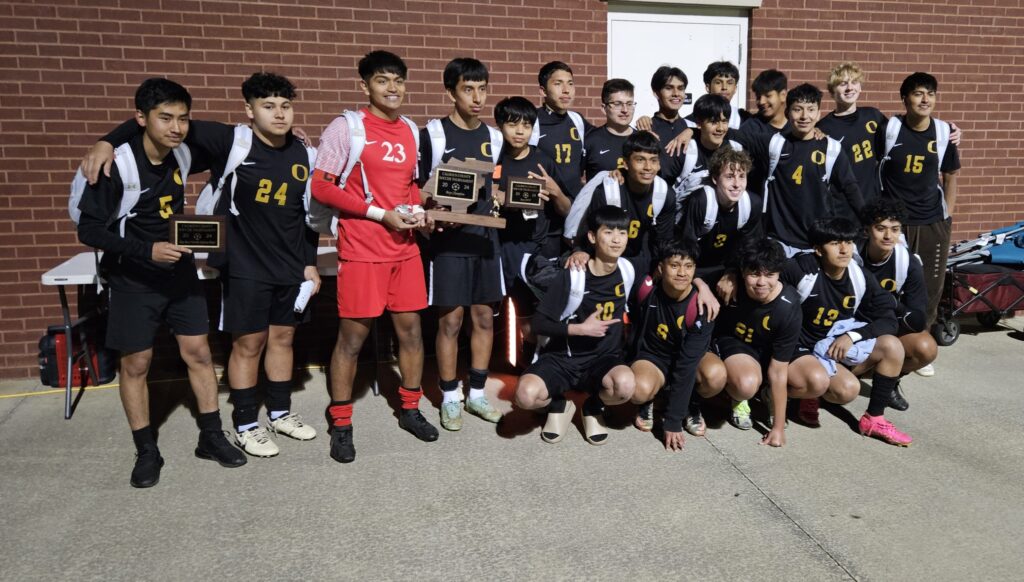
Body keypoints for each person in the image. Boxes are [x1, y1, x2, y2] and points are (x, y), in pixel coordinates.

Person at [84, 72, 323, 458]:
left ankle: (280, 413)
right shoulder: (230, 140)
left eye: (285, 106)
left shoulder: (305, 154)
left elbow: (308, 214)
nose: (279, 114)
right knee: (249, 343)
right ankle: (245, 424)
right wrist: (106, 141)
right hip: (244, 264)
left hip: (289, 264)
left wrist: (309, 264)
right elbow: (158, 120)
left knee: (283, 339)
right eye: (267, 106)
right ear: (249, 110)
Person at [76, 78, 246, 488]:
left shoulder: (183, 150)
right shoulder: (117, 163)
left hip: (178, 271)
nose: (176, 127)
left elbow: (232, 136)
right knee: (136, 364)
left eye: (182, 118)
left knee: (200, 354)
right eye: (165, 118)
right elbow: (89, 230)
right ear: (141, 118)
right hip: (133, 275)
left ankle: (210, 436)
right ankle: (146, 449)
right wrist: (145, 250)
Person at [310, 51, 438, 464]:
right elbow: (322, 187)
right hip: (363, 249)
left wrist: (419, 212)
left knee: (413, 334)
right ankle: (342, 423)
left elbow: (410, 187)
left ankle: (411, 408)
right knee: (352, 339)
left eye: (399, 80)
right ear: (364, 85)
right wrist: (380, 214)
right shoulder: (346, 127)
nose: (393, 88)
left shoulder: (410, 130)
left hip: (405, 250)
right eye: (383, 80)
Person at [417, 57, 505, 431]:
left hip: (485, 239)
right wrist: (434, 209)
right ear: (451, 91)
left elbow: (495, 180)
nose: (477, 97)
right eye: (468, 89)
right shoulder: (434, 134)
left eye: (482, 88)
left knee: (484, 317)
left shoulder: (494, 136)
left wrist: (498, 196)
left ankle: (478, 394)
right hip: (448, 243)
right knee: (451, 320)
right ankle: (450, 396)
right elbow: (418, 189)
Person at [513, 206, 639, 445]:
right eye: (608, 232)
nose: (616, 239)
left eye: (622, 233)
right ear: (592, 237)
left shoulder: (627, 269)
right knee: (525, 396)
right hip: (564, 359)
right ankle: (559, 403)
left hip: (603, 359)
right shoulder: (574, 275)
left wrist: (702, 287)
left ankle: (593, 405)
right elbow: (538, 323)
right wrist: (579, 329)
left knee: (625, 385)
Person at [781, 218, 911, 446]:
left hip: (831, 348)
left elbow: (889, 319)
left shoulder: (859, 276)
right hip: (798, 348)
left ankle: (874, 418)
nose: (844, 249)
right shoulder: (802, 270)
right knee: (818, 382)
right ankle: (777, 393)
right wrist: (799, 258)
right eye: (835, 243)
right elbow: (765, 276)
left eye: (849, 242)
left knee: (887, 349)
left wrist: (853, 336)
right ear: (818, 249)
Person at [877, 72, 960, 364]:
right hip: (895, 222)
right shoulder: (889, 129)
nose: (925, 99)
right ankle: (889, 344)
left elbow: (950, 176)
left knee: (929, 285)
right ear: (905, 99)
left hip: (931, 221)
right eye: (918, 93)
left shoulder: (942, 132)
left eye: (930, 94)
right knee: (892, 281)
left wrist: (946, 216)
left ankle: (920, 344)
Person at [733, 83, 863, 256]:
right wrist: (690, 132)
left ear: (818, 114)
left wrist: (869, 223)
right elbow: (727, 133)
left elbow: (851, 189)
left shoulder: (832, 149)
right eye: (797, 109)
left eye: (810, 109)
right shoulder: (773, 143)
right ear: (787, 113)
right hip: (779, 241)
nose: (804, 116)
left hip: (818, 243)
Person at [628, 241, 720, 450]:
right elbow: (612, 259)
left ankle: (691, 404)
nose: (682, 272)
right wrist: (581, 254)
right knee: (638, 390)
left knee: (715, 375)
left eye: (688, 266)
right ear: (661, 267)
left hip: (689, 360)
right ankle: (650, 399)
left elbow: (687, 365)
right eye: (675, 265)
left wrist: (673, 421)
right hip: (654, 357)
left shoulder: (702, 306)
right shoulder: (646, 288)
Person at [711, 239, 801, 442]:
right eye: (754, 274)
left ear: (779, 274)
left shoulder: (789, 306)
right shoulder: (730, 285)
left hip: (769, 350)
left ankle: (769, 395)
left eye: (769, 275)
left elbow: (778, 371)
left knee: (815, 381)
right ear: (742, 272)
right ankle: (739, 398)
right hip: (737, 344)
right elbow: (698, 276)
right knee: (746, 384)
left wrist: (778, 428)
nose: (761, 282)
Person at [857, 198, 937, 409]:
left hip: (886, 324)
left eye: (894, 229)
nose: (888, 236)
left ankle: (888, 381)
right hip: (850, 325)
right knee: (843, 389)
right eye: (880, 228)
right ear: (867, 230)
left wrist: (891, 306)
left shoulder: (907, 262)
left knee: (926, 348)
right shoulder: (851, 256)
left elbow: (918, 317)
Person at [564, 131, 675, 271]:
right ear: (625, 164)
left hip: (639, 258)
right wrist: (580, 251)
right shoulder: (608, 190)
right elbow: (591, 230)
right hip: (604, 259)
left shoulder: (664, 193)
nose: (648, 167)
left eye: (653, 160)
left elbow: (663, 241)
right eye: (640, 160)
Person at [530, 61, 593, 256]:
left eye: (570, 83)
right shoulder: (532, 122)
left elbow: (606, 138)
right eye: (558, 84)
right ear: (543, 91)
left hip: (575, 219)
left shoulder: (577, 120)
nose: (566, 90)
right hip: (544, 223)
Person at [582, 78, 636, 181]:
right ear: (604, 108)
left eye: (629, 104)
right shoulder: (590, 141)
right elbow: (574, 179)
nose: (625, 110)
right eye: (617, 104)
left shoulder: (641, 141)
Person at [684, 60, 751, 130]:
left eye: (730, 83)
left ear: (735, 88)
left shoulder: (744, 119)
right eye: (718, 82)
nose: (724, 87)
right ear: (708, 87)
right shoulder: (690, 122)